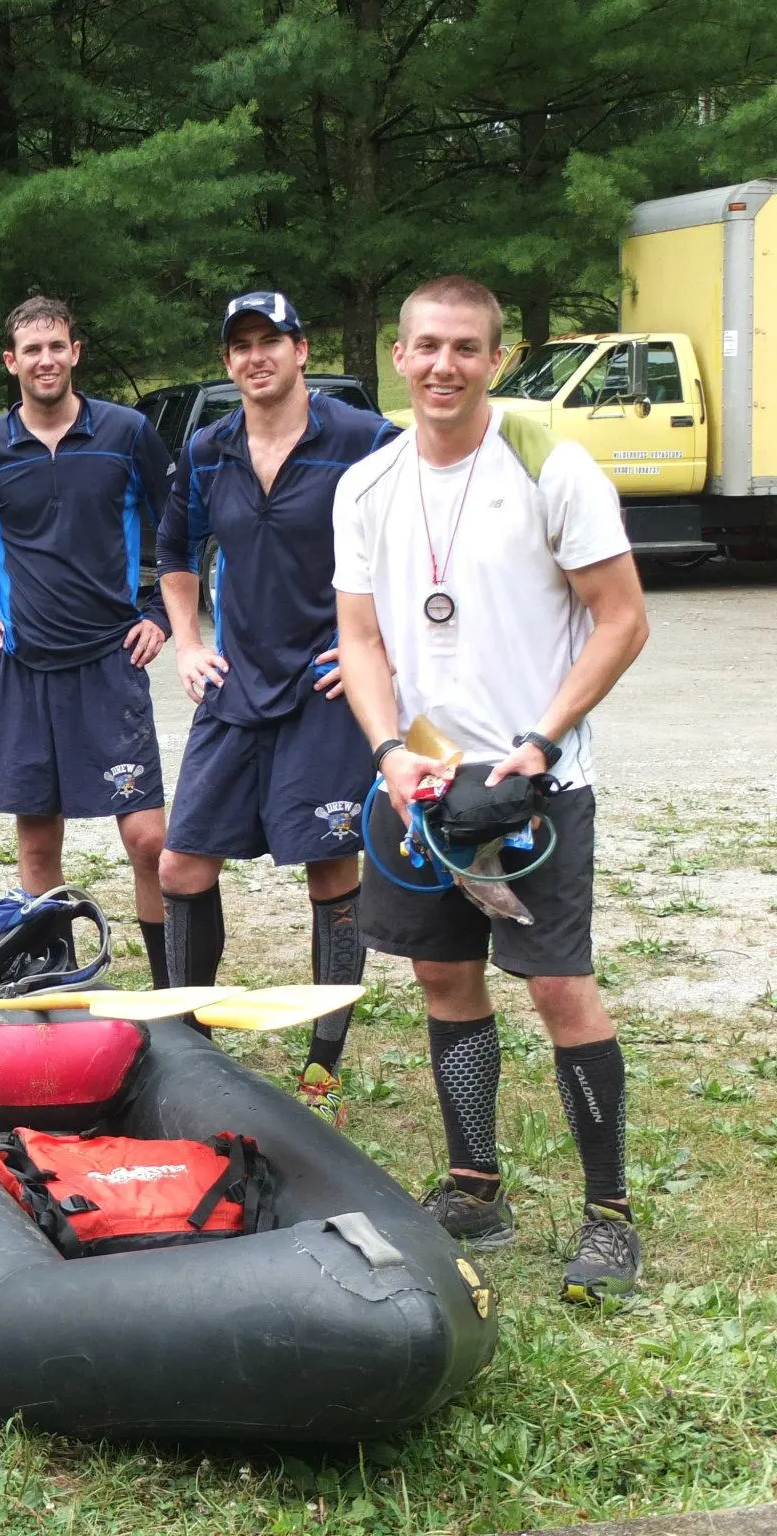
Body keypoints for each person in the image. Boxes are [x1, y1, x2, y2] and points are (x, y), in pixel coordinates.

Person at [333, 274, 650, 1302]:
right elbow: (361, 637)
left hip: (531, 781)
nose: (441, 367)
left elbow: (620, 620)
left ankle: (607, 1216)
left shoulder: (549, 465)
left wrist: (540, 741)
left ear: (497, 360)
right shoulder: (366, 486)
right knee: (439, 978)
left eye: (465, 348)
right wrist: (387, 750)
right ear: (396, 350)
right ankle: (475, 1187)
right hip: (421, 781)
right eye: (425, 346)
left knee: (556, 986)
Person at [155, 292, 397, 1123]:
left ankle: (323, 1065)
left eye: (271, 342)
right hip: (236, 683)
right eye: (241, 346)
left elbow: (423, 538)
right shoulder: (208, 448)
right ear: (228, 362)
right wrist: (188, 640)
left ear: (301, 350)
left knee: (330, 870)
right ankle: (189, 1044)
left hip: (324, 689)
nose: (256, 357)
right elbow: (175, 551)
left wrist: (379, 644)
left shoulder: (363, 441)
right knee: (181, 863)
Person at [0, 296, 174, 980]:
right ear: (12, 362)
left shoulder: (125, 434)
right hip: (25, 668)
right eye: (32, 350)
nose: (46, 360)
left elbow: (180, 519)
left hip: (110, 662)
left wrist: (160, 610)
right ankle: (55, 987)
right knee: (37, 847)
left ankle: (171, 990)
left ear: (75, 352)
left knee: (150, 840)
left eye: (56, 346)